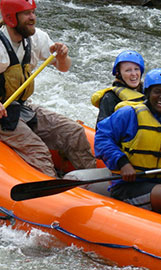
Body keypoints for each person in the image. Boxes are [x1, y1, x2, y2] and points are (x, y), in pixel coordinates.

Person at [0, 0, 96, 177]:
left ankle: (92, 184)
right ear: (10, 18)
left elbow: (64, 68)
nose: (33, 18)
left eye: (33, 12)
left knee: (73, 131)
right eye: (27, 13)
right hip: (3, 116)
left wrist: (62, 56)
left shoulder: (37, 37)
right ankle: (54, 193)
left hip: (21, 107)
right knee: (39, 152)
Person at [94, 68, 161, 219]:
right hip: (129, 186)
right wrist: (122, 162)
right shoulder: (128, 114)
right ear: (147, 93)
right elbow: (102, 138)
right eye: (157, 91)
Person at [91, 50, 145, 127]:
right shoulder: (110, 97)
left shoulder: (148, 93)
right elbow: (102, 131)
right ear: (118, 73)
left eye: (136, 69)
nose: (134, 74)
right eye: (128, 70)